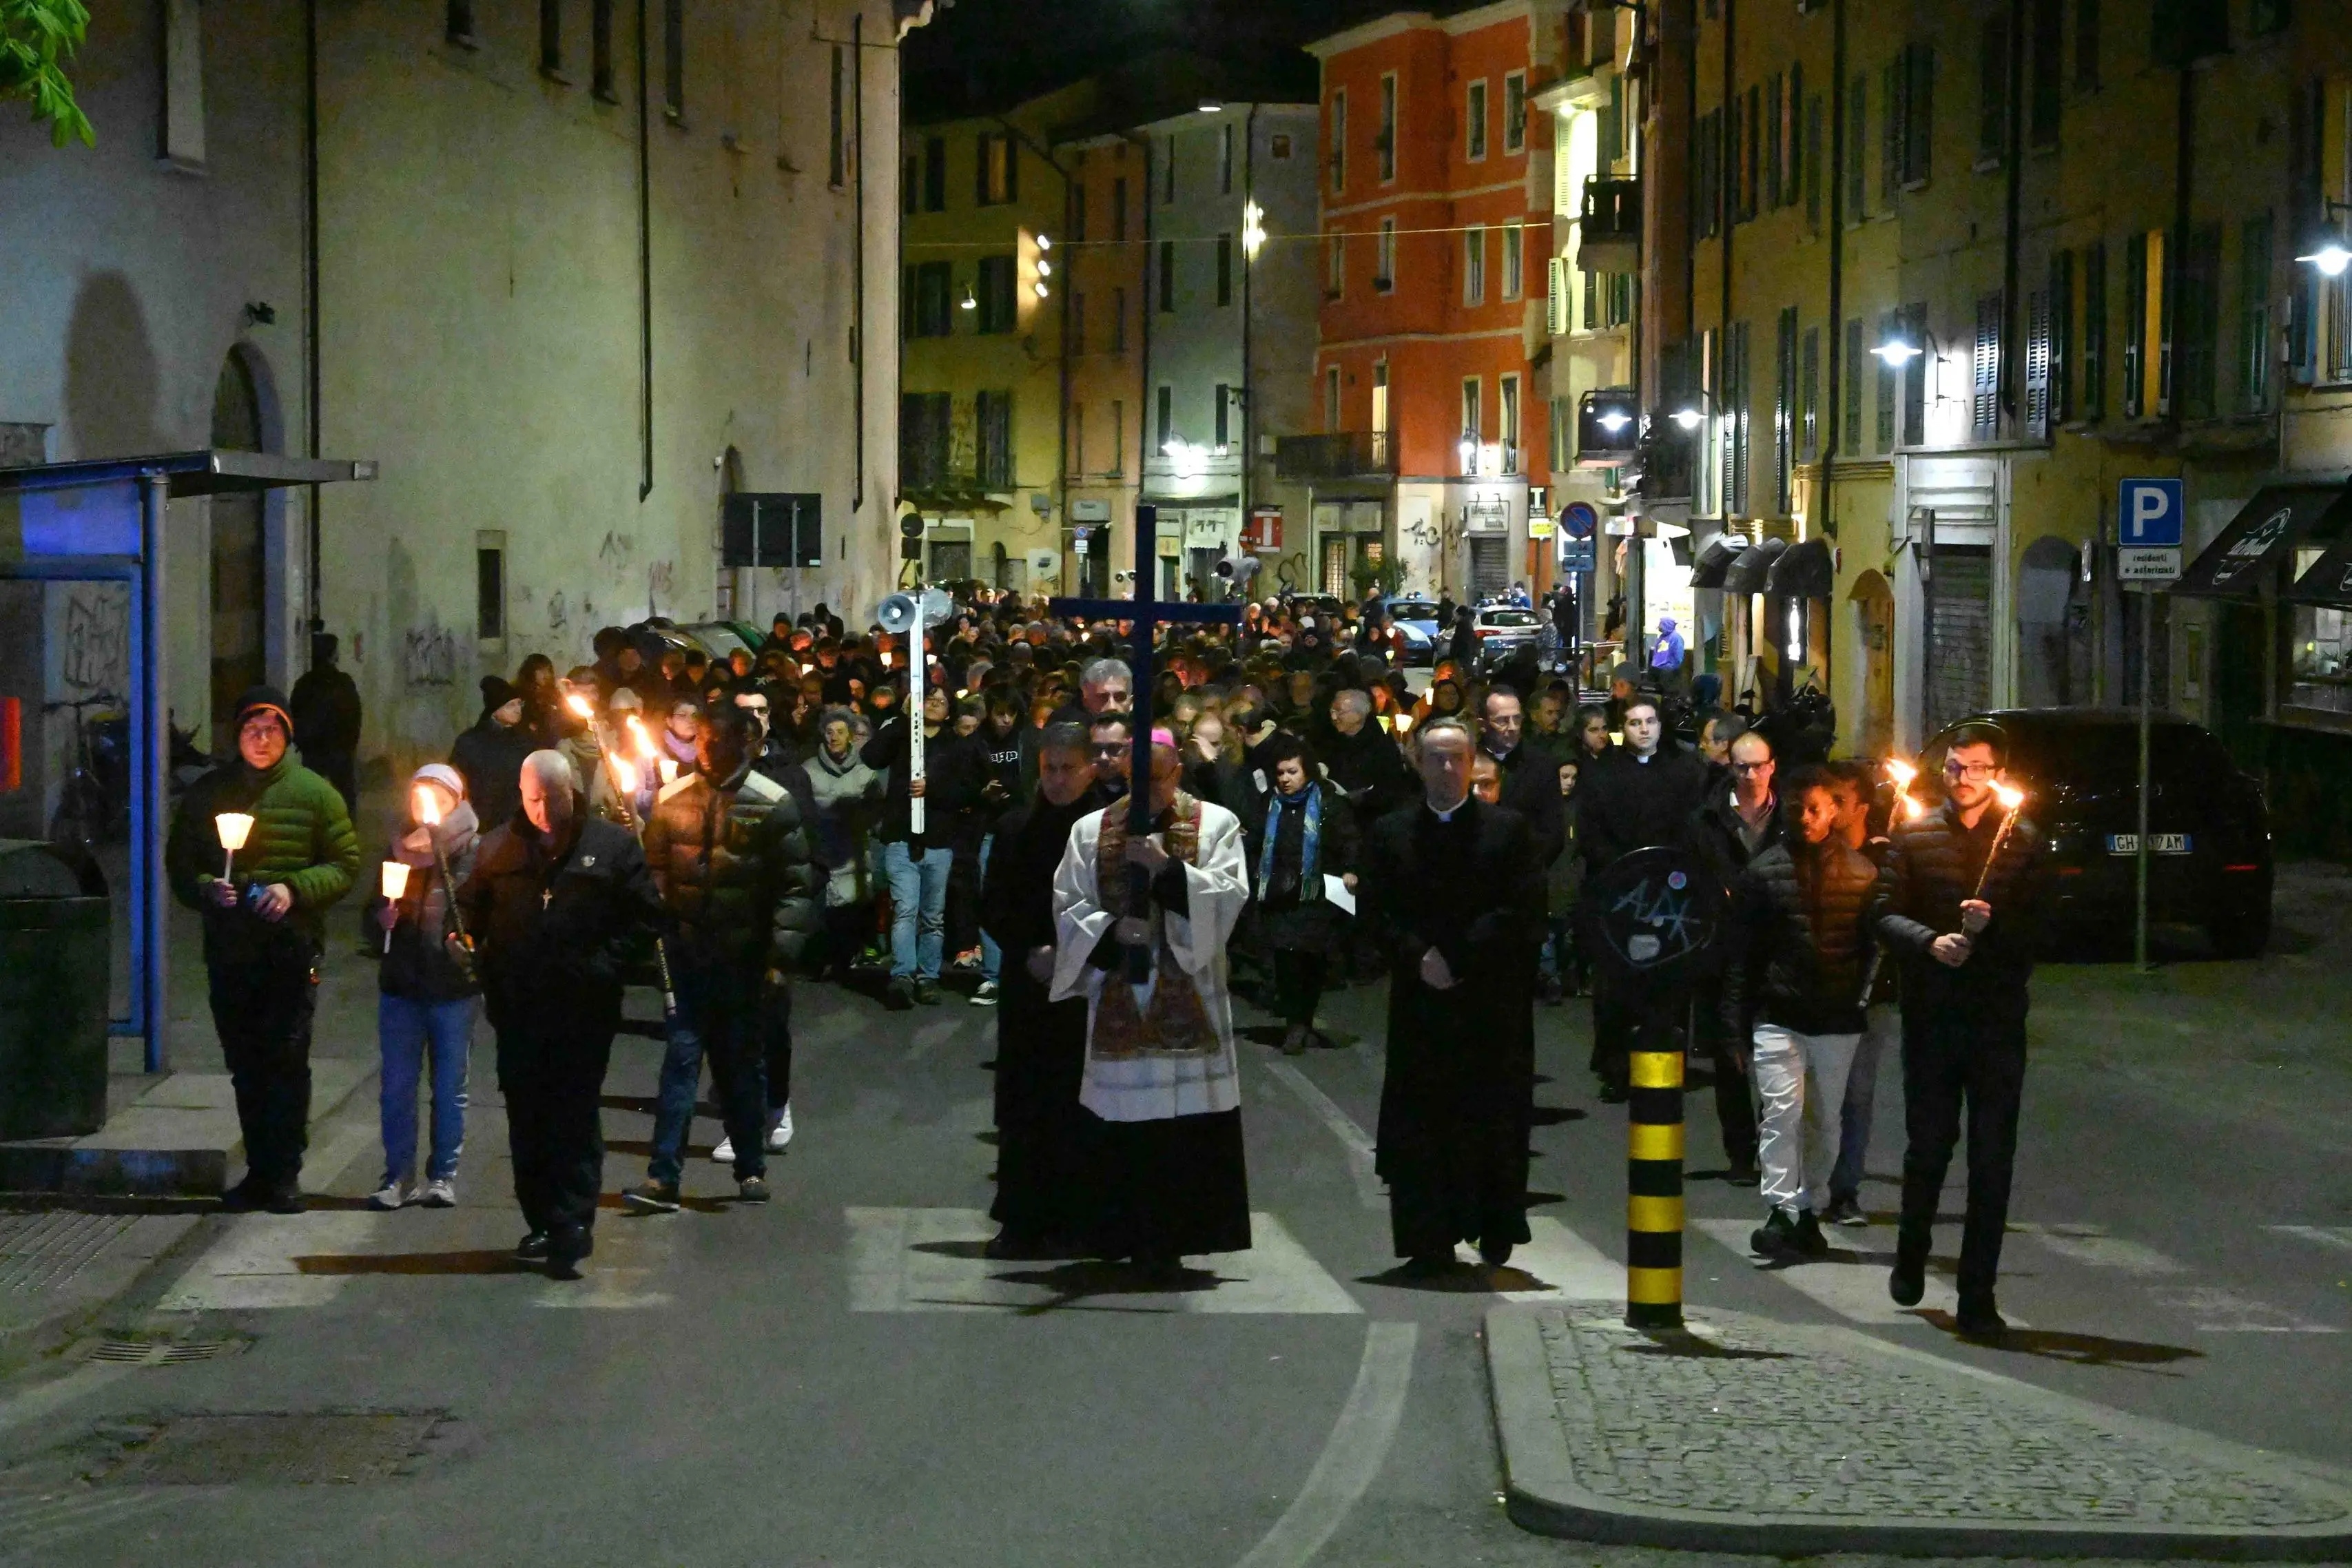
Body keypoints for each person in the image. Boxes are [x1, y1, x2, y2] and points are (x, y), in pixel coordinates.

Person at [1050, 728, 1253, 1272]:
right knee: (1122, 1124)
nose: (1143, 796)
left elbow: (1229, 897)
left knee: (1184, 1132)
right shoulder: (1092, 830)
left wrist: (1169, 872)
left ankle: (1177, 1242)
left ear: (1178, 773)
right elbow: (1069, 904)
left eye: (1155, 782)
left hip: (1192, 999)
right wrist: (1111, 932)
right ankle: (1119, 1236)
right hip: (1121, 995)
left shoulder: (1215, 825)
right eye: (1134, 782)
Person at [457, 750, 663, 1278]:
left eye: (552, 797)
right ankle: (542, 1218)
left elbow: (645, 920)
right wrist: (463, 942)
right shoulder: (499, 847)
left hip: (582, 1010)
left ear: (572, 791)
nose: (543, 810)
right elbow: (471, 912)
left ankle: (573, 1221)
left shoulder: (611, 847)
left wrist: (603, 966)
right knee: (528, 1117)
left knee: (572, 1112)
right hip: (519, 1009)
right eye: (532, 799)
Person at [1873, 724, 2050, 1336]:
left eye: (1977, 768)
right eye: (1954, 767)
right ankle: (1912, 1250)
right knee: (1928, 1148)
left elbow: (2044, 929)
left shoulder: (2022, 843)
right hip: (1933, 1017)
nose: (1964, 778)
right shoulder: (1916, 834)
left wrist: (1993, 927)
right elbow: (1884, 912)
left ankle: (1978, 1294)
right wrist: (1930, 941)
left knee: (1992, 1160)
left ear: (1998, 777)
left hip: (1997, 1021)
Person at [166, 687, 362, 1213]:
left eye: (272, 729)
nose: (261, 739)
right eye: (252, 729)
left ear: (288, 735)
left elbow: (345, 863)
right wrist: (210, 887)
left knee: (287, 1060)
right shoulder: (210, 794)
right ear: (237, 735)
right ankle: (258, 1169)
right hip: (232, 951)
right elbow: (181, 867)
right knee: (246, 1063)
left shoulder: (316, 794)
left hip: (290, 951)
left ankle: (284, 1173)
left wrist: (293, 890)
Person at [1362, 716, 1545, 1272]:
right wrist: (1419, 955)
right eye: (1435, 758)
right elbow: (1375, 910)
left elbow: (1523, 909)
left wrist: (1461, 956)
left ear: (1473, 764)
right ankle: (1428, 1238)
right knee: (1422, 1122)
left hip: (1490, 1001)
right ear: (1418, 764)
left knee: (1493, 1117)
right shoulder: (1391, 833)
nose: (1446, 768)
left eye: (1456, 758)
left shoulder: (1507, 831)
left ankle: (1494, 1224)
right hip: (1421, 1002)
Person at [625, 707, 817, 1212]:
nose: (706, 749)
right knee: (680, 1063)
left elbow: (795, 887)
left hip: (744, 961)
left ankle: (750, 1165)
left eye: (716, 740)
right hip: (688, 957)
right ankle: (663, 1175)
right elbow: (656, 873)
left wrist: (779, 958)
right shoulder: (672, 800)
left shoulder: (773, 803)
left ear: (743, 743)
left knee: (740, 1067)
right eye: (703, 740)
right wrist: (656, 924)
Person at [1720, 769, 1879, 1261]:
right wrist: (1734, 1027)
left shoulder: (1860, 873)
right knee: (1781, 1113)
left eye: (1815, 808)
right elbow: (1741, 955)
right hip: (1780, 1014)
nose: (1806, 819)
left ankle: (1810, 1206)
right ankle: (1781, 1208)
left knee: (1825, 1120)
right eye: (1797, 809)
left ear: (1833, 810)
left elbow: (1873, 943)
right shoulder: (1764, 872)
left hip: (1835, 1019)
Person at [978, 722, 1100, 1257]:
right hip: (1028, 984)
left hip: (1087, 985)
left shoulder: (1104, 832)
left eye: (1066, 770)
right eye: (1048, 769)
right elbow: (995, 903)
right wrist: (1030, 950)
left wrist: (1074, 953)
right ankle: (1022, 1218)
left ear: (1089, 769)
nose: (1055, 780)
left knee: (1079, 1103)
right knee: (1025, 1104)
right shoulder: (1015, 829)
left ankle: (1078, 1219)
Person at [1577, 695, 1711, 1100]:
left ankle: (1669, 1060)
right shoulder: (1603, 774)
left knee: (1671, 978)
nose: (1644, 730)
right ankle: (1618, 1065)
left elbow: (1695, 826)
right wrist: (1622, 870)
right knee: (1618, 982)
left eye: (1650, 721)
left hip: (1672, 891)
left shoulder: (1685, 771)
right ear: (1624, 728)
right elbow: (1590, 830)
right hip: (1620, 892)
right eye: (1635, 723)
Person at [367, 763, 479, 1210]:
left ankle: (443, 1175)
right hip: (401, 986)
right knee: (397, 1085)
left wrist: (469, 941)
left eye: (435, 795)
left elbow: (483, 911)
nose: (424, 805)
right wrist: (381, 923)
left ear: (456, 799)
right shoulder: (398, 849)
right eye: (417, 796)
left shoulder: (473, 850)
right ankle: (398, 1175)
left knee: (450, 1086)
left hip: (452, 989)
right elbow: (371, 916)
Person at [1685, 728, 1783, 1179]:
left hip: (1774, 949)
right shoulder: (1707, 820)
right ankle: (1741, 1154)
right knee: (1730, 1057)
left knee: (1776, 1058)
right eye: (1741, 766)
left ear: (1772, 767)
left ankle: (1775, 1150)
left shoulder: (1786, 819)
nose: (1750, 775)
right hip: (1721, 949)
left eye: (1758, 766)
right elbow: (1690, 877)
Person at [1239, 732, 1359, 1055]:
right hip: (1280, 894)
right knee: (1286, 961)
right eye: (1280, 773)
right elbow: (1255, 837)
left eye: (1292, 771)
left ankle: (1303, 1019)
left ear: (1307, 770)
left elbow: (1347, 839)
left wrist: (1350, 868)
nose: (1286, 779)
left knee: (1311, 962)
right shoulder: (1270, 803)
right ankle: (1296, 1025)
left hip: (1316, 895)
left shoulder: (1327, 803)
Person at [1823, 761, 1895, 1228]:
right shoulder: (1813, 852)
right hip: (1822, 988)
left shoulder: (1886, 859)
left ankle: (1845, 1189)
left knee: (1857, 1094)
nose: (1829, 812)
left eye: (1840, 803)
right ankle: (1807, 1188)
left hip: (1872, 993)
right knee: (1816, 1095)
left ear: (1863, 808)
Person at [862, 685, 959, 1009]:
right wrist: (903, 720)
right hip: (901, 835)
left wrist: (934, 790)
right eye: (928, 698)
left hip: (938, 839)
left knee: (933, 914)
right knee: (905, 908)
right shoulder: (902, 733)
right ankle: (902, 975)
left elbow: (965, 791)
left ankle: (927, 977)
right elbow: (871, 756)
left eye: (940, 700)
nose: (934, 703)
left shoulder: (953, 744)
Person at [794, 707, 883, 978]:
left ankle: (848, 957)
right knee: (821, 912)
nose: (834, 737)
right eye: (829, 732)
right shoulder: (807, 771)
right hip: (821, 852)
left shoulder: (867, 773)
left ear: (850, 737)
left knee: (850, 910)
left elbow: (877, 811)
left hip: (854, 852)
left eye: (841, 732)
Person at [1476, 686, 1565, 868]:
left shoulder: (1542, 765)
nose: (1513, 727)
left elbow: (1553, 833)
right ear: (1483, 725)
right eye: (1502, 721)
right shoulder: (1468, 761)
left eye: (1517, 719)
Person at [289, 634, 362, 810]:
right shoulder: (343, 683)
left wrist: (302, 742)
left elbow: (293, 713)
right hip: (339, 751)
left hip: (313, 751)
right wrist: (349, 746)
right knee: (345, 798)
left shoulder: (304, 684)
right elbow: (355, 716)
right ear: (333, 654)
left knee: (311, 798)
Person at [451, 677, 535, 831]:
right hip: (480, 822)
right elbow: (458, 782)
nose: (518, 709)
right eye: (510, 705)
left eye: (519, 703)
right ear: (495, 712)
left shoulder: (523, 741)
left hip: (514, 824)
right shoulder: (470, 742)